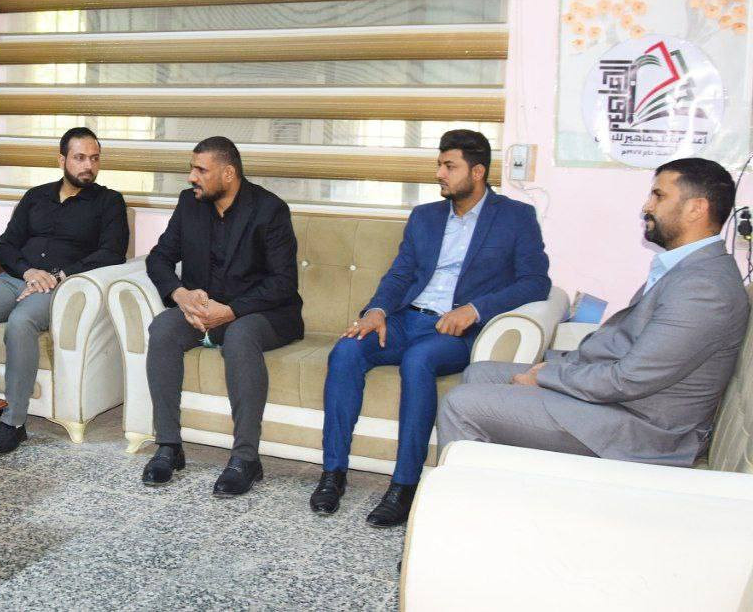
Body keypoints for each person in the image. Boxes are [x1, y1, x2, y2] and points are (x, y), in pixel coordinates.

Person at [438, 157, 748, 469]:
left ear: (696, 208)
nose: (647, 206)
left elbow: (630, 379)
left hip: (643, 428)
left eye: (659, 195)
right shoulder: (685, 268)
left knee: (459, 405)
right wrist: (559, 366)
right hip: (620, 403)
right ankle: (499, 482)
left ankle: (466, 496)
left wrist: (547, 375)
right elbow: (626, 351)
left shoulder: (704, 287)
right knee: (479, 373)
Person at [312, 129, 550, 526]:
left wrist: (475, 309)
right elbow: (400, 274)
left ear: (477, 172)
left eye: (449, 166)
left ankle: (404, 485)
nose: (439, 173)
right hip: (406, 318)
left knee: (418, 361)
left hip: (454, 331)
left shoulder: (515, 217)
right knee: (347, 349)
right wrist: (376, 311)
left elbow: (535, 282)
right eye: (439, 165)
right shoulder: (425, 216)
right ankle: (333, 473)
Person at [0, 127, 128, 454]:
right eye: (80, 158)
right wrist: (28, 272)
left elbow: (112, 253)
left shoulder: (109, 202)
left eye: (95, 159)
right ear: (62, 160)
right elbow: (6, 245)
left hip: (63, 287)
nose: (89, 166)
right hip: (17, 277)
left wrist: (57, 276)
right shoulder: (35, 196)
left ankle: (14, 422)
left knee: (21, 322)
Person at [140, 136, 303, 498]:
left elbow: (283, 282)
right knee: (163, 327)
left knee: (241, 335)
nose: (191, 177)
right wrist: (180, 295)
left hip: (261, 312)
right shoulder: (189, 204)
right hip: (203, 310)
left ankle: (246, 458)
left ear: (228, 174)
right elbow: (159, 258)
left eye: (201, 170)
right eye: (192, 169)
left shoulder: (270, 210)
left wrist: (229, 311)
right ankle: (169, 446)